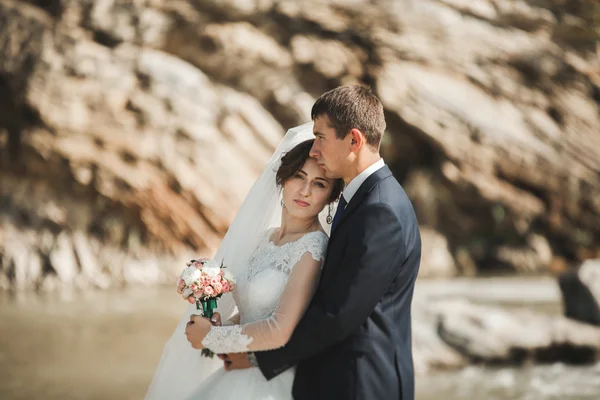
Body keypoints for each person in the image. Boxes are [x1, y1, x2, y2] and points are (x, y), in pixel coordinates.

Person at [216, 85, 422, 400]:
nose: (314, 150)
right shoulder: (364, 198)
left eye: (321, 138)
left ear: (354, 140)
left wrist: (253, 356)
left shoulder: (380, 211)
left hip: (359, 384)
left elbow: (339, 315)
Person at [145, 127, 343, 400]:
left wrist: (211, 339)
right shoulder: (264, 238)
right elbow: (253, 310)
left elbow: (280, 329)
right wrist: (219, 326)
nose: (306, 191)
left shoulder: (313, 248)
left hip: (271, 384)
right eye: (299, 176)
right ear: (284, 178)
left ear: (330, 196)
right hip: (237, 371)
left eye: (319, 184)